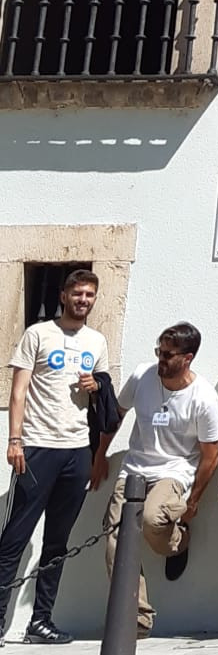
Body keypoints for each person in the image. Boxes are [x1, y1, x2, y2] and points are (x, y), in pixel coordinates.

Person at [0, 267, 109, 646]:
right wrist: (15, 440)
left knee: (58, 542)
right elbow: (18, 392)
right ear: (63, 295)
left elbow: (104, 399)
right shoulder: (38, 333)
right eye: (77, 293)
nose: (82, 300)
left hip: (76, 450)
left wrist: (96, 386)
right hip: (37, 448)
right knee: (14, 539)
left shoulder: (97, 341)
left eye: (89, 295)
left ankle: (40, 622)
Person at [98, 324, 218, 635]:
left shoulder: (204, 397)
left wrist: (193, 501)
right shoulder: (142, 375)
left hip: (174, 472)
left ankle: (177, 544)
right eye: (159, 351)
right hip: (134, 469)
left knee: (154, 520)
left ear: (188, 357)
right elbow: (117, 413)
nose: (160, 359)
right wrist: (99, 454)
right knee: (115, 535)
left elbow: (211, 456)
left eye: (168, 354)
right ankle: (136, 617)